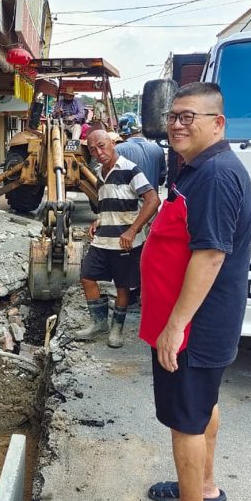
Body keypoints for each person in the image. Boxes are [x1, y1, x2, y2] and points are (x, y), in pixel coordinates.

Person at [133, 82, 251, 501]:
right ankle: (203, 485)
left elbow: (209, 256)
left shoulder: (217, 175)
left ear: (217, 123)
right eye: (174, 116)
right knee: (204, 406)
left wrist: (176, 326)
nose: (178, 124)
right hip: (194, 323)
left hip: (196, 327)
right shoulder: (196, 169)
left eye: (190, 117)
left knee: (186, 418)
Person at [75, 129, 160, 348]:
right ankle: (99, 323)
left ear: (113, 143)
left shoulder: (131, 170)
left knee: (122, 286)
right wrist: (98, 220)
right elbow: (107, 205)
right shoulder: (100, 173)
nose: (98, 152)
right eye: (93, 149)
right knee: (87, 277)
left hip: (126, 241)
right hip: (103, 239)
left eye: (102, 146)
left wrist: (132, 231)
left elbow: (153, 200)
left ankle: (116, 329)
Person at [115, 120, 167, 192]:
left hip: (128, 202)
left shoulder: (118, 149)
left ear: (123, 134)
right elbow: (161, 181)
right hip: (152, 201)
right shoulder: (158, 149)